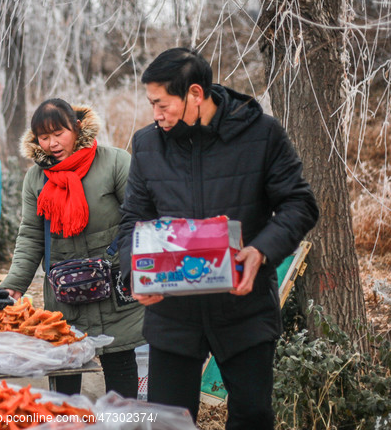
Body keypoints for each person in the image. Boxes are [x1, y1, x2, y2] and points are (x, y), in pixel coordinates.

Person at [116, 48, 319, 428]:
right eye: (151, 104)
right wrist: (135, 272)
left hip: (243, 307)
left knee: (253, 416)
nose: (156, 114)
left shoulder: (262, 135)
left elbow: (300, 203)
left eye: (162, 104)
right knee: (167, 421)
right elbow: (134, 220)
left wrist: (261, 251)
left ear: (195, 94)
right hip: (173, 313)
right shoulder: (147, 145)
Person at [0, 99, 144, 397]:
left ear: (76, 128)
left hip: (114, 288)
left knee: (119, 361)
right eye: (43, 136)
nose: (51, 143)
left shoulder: (115, 162)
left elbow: (139, 217)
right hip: (66, 293)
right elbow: (30, 236)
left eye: (58, 133)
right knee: (65, 367)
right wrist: (15, 283)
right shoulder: (36, 178)